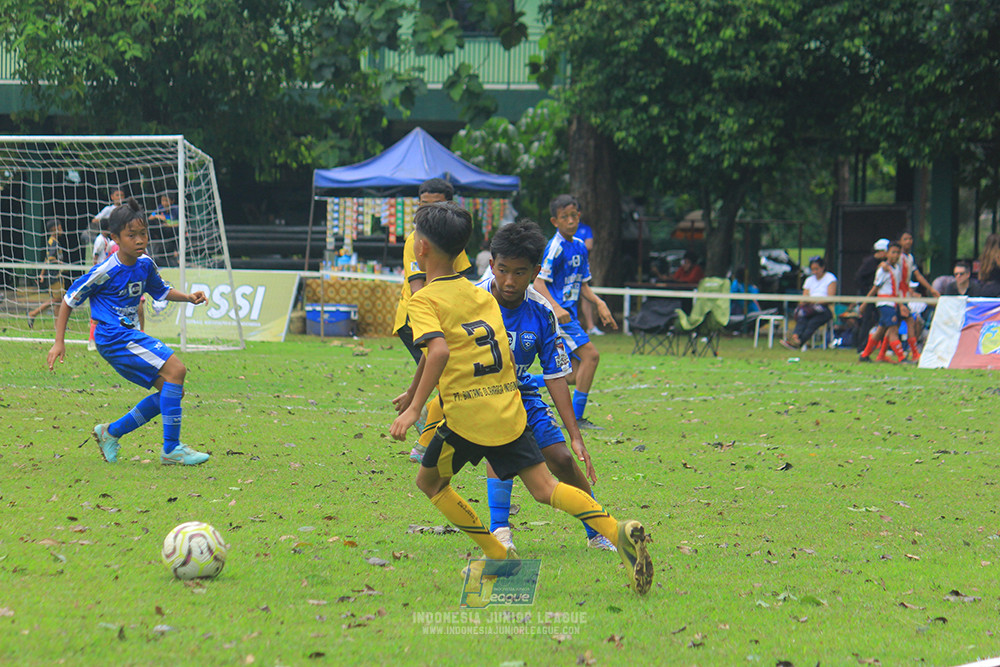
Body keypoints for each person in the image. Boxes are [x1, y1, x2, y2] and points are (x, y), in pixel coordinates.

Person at [388, 201, 652, 594]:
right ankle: (617, 529)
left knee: (430, 484)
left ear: (420, 248)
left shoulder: (424, 300)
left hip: (465, 415)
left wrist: (414, 409)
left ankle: (495, 549)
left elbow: (438, 352)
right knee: (546, 489)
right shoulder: (480, 297)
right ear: (480, 258)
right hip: (508, 407)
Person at [476, 220, 616, 552]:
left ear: (536, 271)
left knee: (562, 459)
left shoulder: (541, 311)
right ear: (492, 263)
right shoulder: (473, 300)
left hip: (520, 390)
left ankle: (597, 530)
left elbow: (554, 374)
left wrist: (576, 434)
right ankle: (499, 530)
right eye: (503, 270)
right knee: (501, 439)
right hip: (476, 392)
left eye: (520, 273)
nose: (509, 281)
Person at [46, 197, 211, 466]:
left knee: (173, 390)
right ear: (116, 239)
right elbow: (69, 299)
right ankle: (171, 449)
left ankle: (110, 433)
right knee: (177, 370)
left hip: (126, 337)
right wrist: (58, 342)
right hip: (113, 336)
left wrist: (188, 297)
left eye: (143, 233)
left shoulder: (145, 263)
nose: (139, 240)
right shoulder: (106, 270)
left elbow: (161, 290)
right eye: (131, 235)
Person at [392, 178, 472, 463]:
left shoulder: (452, 239)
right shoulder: (416, 240)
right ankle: (424, 441)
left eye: (434, 205)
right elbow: (419, 290)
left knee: (445, 376)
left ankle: (419, 410)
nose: (425, 211)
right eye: (422, 205)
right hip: (416, 318)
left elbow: (456, 278)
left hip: (440, 315)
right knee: (445, 378)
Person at [533, 194, 617, 429]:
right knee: (592, 356)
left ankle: (522, 382)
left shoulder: (580, 246)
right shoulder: (555, 247)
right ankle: (577, 419)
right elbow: (538, 283)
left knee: (572, 375)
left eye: (574, 216)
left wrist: (599, 303)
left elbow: (583, 285)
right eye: (564, 217)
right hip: (559, 317)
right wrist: (557, 308)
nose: (571, 221)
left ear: (579, 216)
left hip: (570, 316)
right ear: (555, 221)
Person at [859, 241, 907, 363]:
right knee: (893, 330)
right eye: (893, 252)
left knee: (881, 329)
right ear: (887, 254)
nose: (895, 255)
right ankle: (902, 357)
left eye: (898, 253)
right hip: (885, 303)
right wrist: (865, 303)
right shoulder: (883, 270)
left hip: (893, 302)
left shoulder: (896, 268)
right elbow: (875, 287)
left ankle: (865, 355)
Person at [896, 231, 940, 361]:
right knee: (898, 324)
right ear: (900, 242)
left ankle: (911, 352)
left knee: (895, 325)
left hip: (903, 295)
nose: (908, 241)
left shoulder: (909, 257)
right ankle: (911, 353)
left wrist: (931, 289)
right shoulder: (898, 257)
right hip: (896, 295)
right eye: (905, 239)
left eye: (910, 239)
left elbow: (918, 275)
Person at [782, 256, 837, 350]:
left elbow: (830, 298)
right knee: (802, 316)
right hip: (809, 308)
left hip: (824, 309)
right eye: (812, 269)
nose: (815, 272)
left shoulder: (830, 278)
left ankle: (798, 341)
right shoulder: (809, 280)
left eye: (817, 269)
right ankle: (796, 337)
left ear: (823, 267)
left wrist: (813, 301)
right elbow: (804, 297)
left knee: (812, 322)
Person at [27, 219, 66, 329]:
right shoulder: (54, 242)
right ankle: (33, 313)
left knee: (59, 300)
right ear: (55, 228)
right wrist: (61, 263)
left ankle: (57, 326)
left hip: (53, 274)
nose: (62, 229)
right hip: (55, 275)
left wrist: (42, 274)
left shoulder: (51, 241)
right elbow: (51, 258)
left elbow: (46, 259)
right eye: (60, 227)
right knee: (57, 300)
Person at [574, 219, 602, 336]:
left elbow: (589, 245)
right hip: (568, 268)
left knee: (585, 294)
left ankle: (590, 327)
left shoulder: (585, 228)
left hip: (580, 265)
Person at [149, 192, 180, 266]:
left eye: (166, 200)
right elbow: (150, 217)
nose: (164, 203)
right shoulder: (160, 208)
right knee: (151, 223)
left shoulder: (176, 209)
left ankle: (177, 252)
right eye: (163, 200)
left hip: (173, 230)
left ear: (172, 201)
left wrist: (168, 224)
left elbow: (181, 223)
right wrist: (158, 216)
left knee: (177, 230)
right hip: (163, 230)